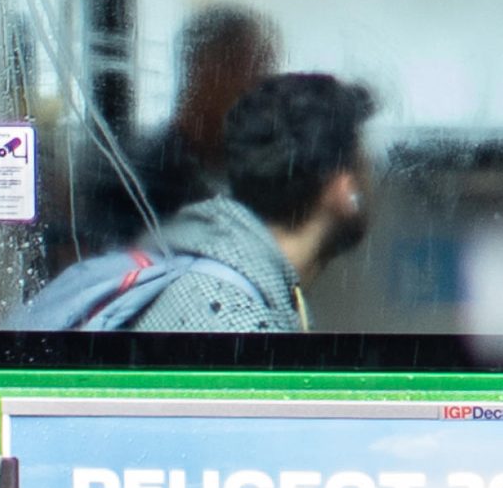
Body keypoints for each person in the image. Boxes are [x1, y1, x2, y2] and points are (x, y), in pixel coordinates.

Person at [131, 71, 376, 333]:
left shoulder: (212, 279)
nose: (369, 181)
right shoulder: (235, 325)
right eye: (362, 164)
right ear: (343, 189)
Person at [79, 4, 279, 248]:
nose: (262, 95)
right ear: (202, 72)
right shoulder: (136, 178)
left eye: (266, 76)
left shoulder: (258, 176)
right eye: (252, 74)